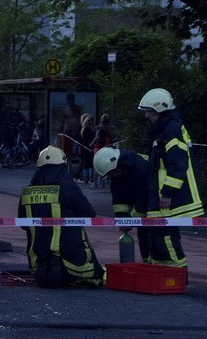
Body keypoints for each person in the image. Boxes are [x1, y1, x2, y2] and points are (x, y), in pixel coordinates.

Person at [18, 145, 105, 288]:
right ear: (62, 166)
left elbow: (23, 223)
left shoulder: (27, 191)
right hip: (72, 263)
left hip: (39, 264)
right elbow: (89, 214)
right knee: (96, 277)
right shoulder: (68, 187)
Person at [138, 88, 202, 269]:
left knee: (166, 235)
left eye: (148, 111)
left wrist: (167, 193)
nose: (146, 116)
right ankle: (162, 272)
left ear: (160, 109)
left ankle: (178, 273)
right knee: (157, 236)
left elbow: (177, 165)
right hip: (161, 195)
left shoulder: (171, 131)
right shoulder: (165, 129)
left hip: (168, 196)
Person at [93, 147, 150, 263]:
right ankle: (148, 265)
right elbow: (119, 200)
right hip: (145, 206)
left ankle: (159, 268)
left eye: (110, 173)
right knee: (144, 236)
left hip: (159, 206)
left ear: (116, 165)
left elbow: (144, 200)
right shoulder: (119, 174)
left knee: (156, 239)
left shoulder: (140, 169)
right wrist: (122, 219)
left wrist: (130, 221)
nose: (110, 177)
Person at [79, 113, 96, 184]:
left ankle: (87, 178)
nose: (92, 122)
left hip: (86, 147)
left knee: (87, 163)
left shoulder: (84, 129)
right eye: (91, 121)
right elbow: (90, 139)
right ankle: (89, 179)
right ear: (88, 121)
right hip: (89, 147)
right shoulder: (87, 129)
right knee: (90, 164)